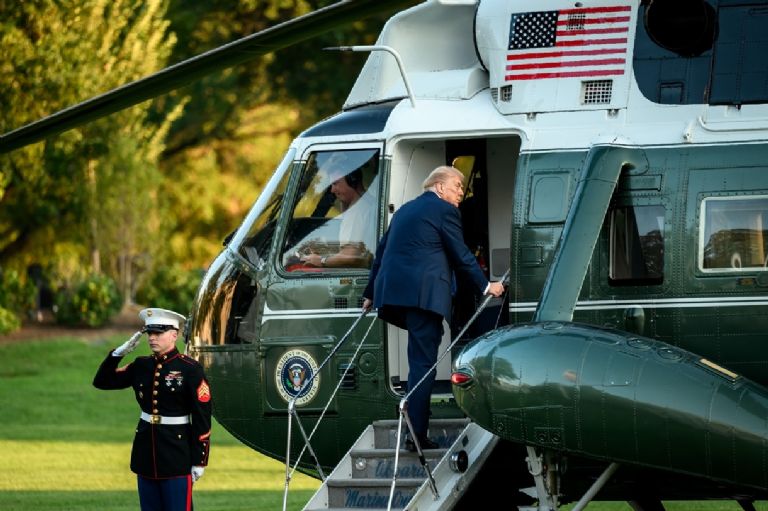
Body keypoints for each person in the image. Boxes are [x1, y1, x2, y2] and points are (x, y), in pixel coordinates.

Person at [362, 165, 505, 451]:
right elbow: (460, 253)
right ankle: (416, 435)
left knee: (419, 356)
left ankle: (415, 429)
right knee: (422, 363)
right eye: (457, 186)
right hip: (424, 296)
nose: (461, 193)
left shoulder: (405, 210)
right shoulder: (444, 210)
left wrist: (369, 294)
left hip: (395, 296)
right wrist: (486, 286)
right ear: (440, 187)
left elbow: (382, 251)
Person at [93, 308, 212, 511]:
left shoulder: (190, 369)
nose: (152, 338)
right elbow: (102, 382)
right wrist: (118, 354)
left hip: (176, 454)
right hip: (146, 453)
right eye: (149, 333)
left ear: (174, 335)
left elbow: (202, 416)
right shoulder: (142, 365)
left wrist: (200, 460)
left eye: (158, 333)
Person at [301, 167, 376, 269]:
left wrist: (321, 261)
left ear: (352, 180)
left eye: (335, 183)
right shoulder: (368, 202)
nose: (332, 190)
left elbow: (351, 256)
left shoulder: (356, 211)